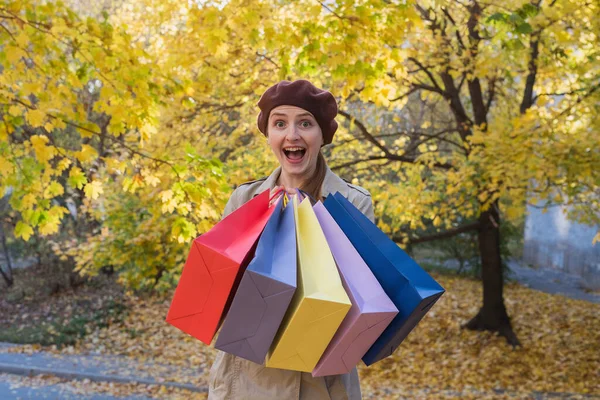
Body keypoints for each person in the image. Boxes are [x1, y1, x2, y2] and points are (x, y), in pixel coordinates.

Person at [208, 79, 374, 400]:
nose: (292, 135)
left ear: (323, 135)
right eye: (279, 123)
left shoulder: (353, 203)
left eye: (306, 124)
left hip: (320, 384)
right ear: (269, 135)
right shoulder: (244, 199)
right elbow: (222, 290)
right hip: (246, 379)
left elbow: (356, 305)